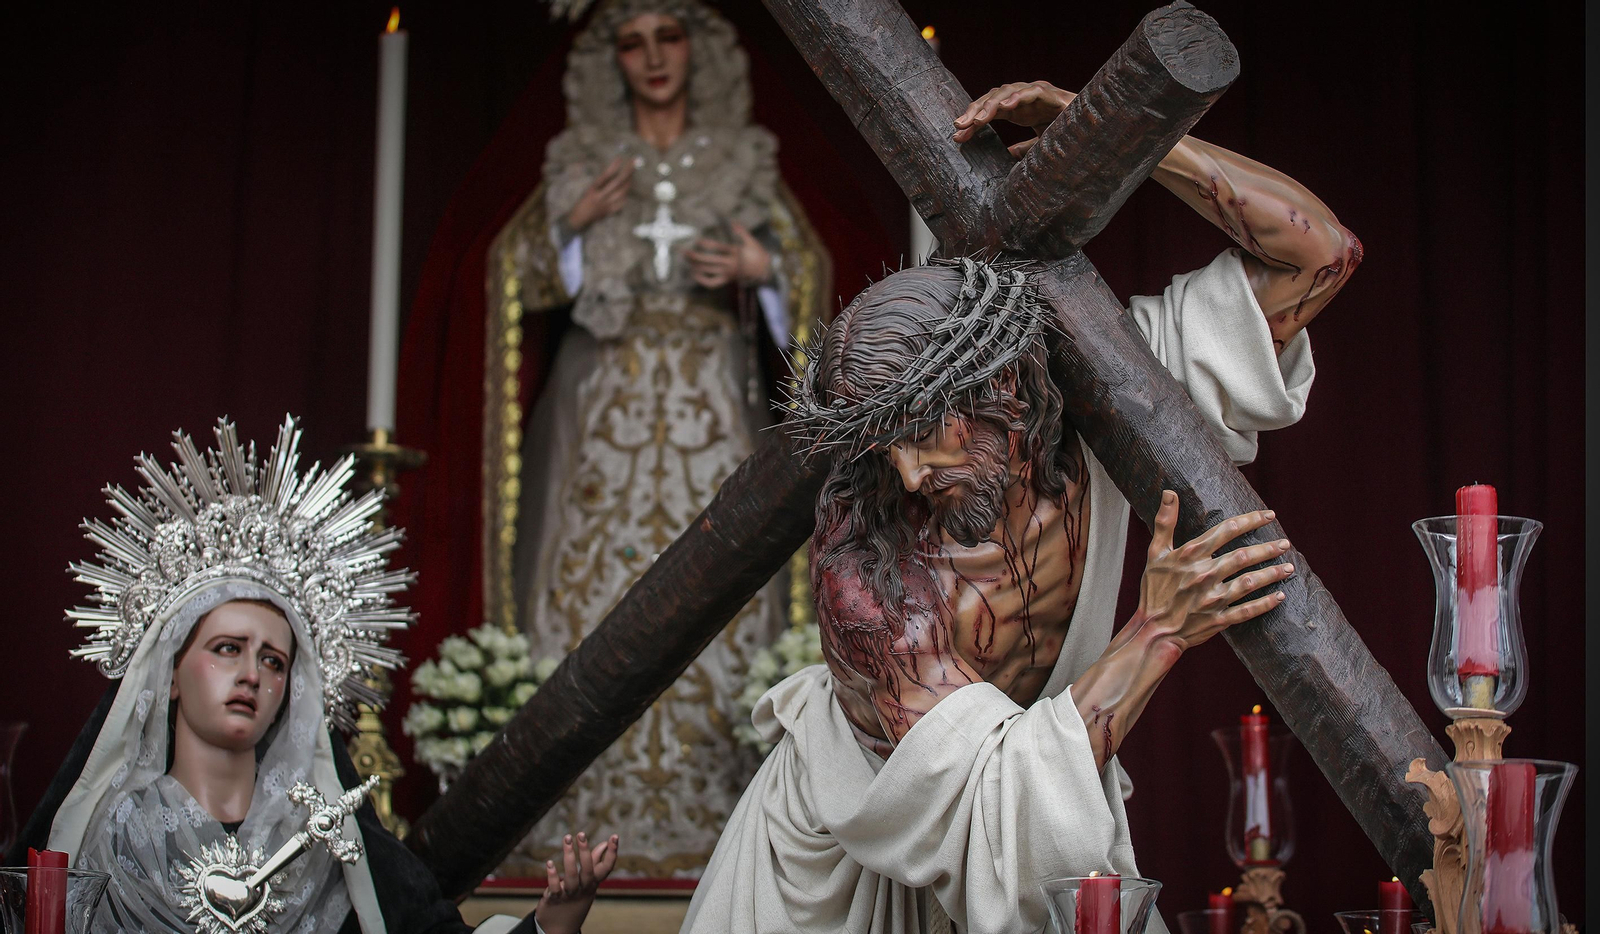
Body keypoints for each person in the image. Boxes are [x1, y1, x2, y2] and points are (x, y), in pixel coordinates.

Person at [681, 80, 1360, 934]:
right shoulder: (866, 581)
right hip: (843, 887)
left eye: (926, 431)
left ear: (999, 384)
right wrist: (1156, 632)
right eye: (883, 444)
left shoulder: (1111, 404)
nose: (911, 473)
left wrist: (1130, 139)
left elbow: (1319, 255)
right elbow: (993, 816)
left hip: (1043, 826)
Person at [8, 417, 616, 934]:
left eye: (273, 660)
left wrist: (548, 925)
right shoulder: (112, 834)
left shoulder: (329, 843)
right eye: (226, 649)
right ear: (168, 675)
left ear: (291, 691)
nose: (250, 674)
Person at [489, 0, 831, 877]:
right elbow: (510, 275)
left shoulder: (743, 156)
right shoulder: (583, 157)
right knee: (593, 586)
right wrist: (570, 229)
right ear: (612, 60)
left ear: (697, 48)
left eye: (668, 37)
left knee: (717, 589)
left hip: (714, 401)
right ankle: (581, 819)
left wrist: (761, 273)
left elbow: (809, 272)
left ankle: (728, 821)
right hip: (600, 402)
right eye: (631, 42)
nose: (652, 58)